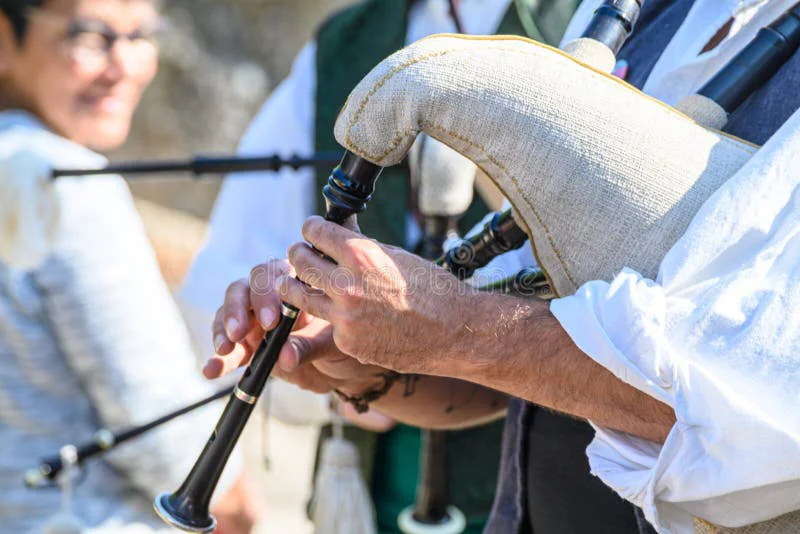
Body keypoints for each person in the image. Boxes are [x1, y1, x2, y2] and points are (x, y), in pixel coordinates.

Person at [211, 0, 800, 533]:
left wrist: (454, 327)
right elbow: (520, 343)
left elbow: (754, 409)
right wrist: (362, 358)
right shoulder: (642, 13)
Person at [180, 1, 581, 532]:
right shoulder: (347, 41)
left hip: (546, 486)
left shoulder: (602, 24)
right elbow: (226, 263)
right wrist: (312, 325)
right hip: (369, 488)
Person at [0, 1, 258, 532]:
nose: (124, 65)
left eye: (141, 35)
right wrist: (235, 501)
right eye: (90, 36)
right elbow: (162, 433)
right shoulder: (66, 183)